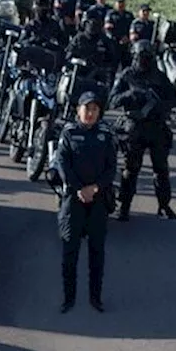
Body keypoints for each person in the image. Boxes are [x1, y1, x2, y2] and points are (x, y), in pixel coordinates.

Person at [51, 92, 117, 313]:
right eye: (86, 109)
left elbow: (111, 168)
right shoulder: (69, 133)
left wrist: (94, 188)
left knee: (97, 253)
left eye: (94, 109)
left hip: (98, 200)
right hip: (73, 199)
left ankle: (95, 298)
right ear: (78, 110)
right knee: (70, 252)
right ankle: (68, 299)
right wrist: (79, 188)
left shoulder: (106, 134)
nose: (90, 113)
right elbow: (62, 163)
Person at [108, 39, 176, 220]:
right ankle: (124, 206)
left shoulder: (159, 76)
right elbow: (112, 100)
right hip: (135, 128)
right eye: (141, 57)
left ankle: (164, 205)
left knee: (161, 170)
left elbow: (174, 100)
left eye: (147, 57)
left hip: (156, 127)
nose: (144, 61)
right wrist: (130, 95)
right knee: (130, 170)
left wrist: (160, 106)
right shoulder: (127, 75)